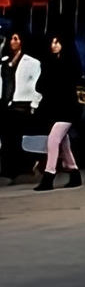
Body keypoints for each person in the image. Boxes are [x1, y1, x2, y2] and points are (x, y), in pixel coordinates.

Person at [34, 36, 83, 191]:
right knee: (63, 142)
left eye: (57, 42)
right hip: (56, 109)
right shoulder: (49, 62)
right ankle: (74, 173)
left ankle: (49, 175)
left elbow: (59, 85)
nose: (53, 45)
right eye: (52, 42)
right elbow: (40, 85)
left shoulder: (69, 64)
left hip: (68, 108)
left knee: (53, 140)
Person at [0, 31, 41, 183]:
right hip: (5, 105)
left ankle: (22, 169)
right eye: (11, 38)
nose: (13, 41)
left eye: (16, 38)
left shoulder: (32, 62)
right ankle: (7, 171)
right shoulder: (4, 62)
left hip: (22, 105)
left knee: (19, 139)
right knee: (6, 139)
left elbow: (36, 84)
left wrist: (35, 103)